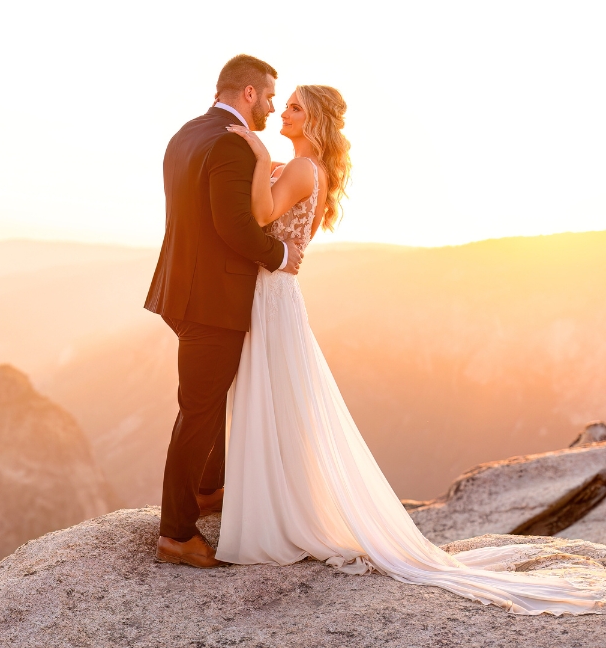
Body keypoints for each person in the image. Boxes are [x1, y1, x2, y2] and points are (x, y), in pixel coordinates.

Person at [217, 83, 606, 616]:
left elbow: (260, 217)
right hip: (276, 291)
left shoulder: (303, 169)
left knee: (276, 400)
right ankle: (281, 507)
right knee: (279, 401)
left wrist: (259, 156)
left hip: (273, 294)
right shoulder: (303, 167)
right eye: (284, 105)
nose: (283, 111)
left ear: (316, 122)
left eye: (295, 107)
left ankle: (277, 515)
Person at [145, 54, 302, 569]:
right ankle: (176, 533)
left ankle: (210, 489)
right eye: (271, 97)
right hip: (212, 299)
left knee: (207, 400)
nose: (273, 107)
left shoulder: (186, 134)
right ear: (249, 93)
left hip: (179, 291)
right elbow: (233, 225)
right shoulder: (232, 144)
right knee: (200, 409)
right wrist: (280, 255)